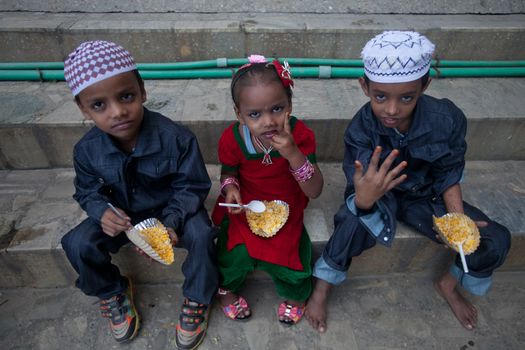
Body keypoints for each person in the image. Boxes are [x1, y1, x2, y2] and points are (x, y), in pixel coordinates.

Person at [305, 31, 511, 333]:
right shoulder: (361, 130)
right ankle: (322, 288)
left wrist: (456, 220)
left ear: (424, 86)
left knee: (494, 239)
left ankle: (449, 283)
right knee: (349, 223)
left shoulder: (446, 118)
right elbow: (360, 192)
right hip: (375, 197)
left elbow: (449, 171)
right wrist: (364, 199)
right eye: (380, 96)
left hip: (424, 197)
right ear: (365, 87)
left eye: (406, 97)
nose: (391, 109)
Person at [60, 40, 218, 349]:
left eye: (127, 96)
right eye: (99, 105)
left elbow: (192, 186)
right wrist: (100, 211)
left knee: (202, 235)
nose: (118, 112)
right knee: (76, 243)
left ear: (142, 91)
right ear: (83, 109)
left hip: (173, 212)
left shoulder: (177, 138)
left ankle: (198, 296)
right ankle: (112, 291)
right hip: (124, 217)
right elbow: (87, 190)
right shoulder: (86, 151)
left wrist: (170, 223)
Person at [211, 55, 323, 325]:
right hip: (248, 201)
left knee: (290, 253)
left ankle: (296, 294)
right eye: (254, 114)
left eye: (277, 109)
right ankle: (225, 290)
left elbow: (315, 190)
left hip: (287, 201)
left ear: (290, 105)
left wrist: (292, 152)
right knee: (233, 250)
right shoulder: (233, 138)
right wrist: (231, 189)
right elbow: (229, 172)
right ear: (239, 115)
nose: (268, 121)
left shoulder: (301, 135)